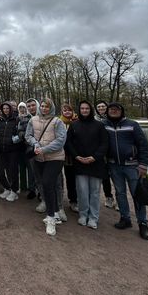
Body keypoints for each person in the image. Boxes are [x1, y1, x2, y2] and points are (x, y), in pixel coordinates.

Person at [103, 102, 148, 240]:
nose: (113, 111)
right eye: (111, 109)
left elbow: (143, 145)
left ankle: (142, 223)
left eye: (116, 109)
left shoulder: (132, 124)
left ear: (121, 111)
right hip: (114, 165)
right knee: (120, 193)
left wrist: (143, 164)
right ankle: (125, 218)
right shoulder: (105, 125)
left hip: (132, 165)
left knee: (137, 194)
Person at [25, 98, 67, 236]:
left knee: (49, 183)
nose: (43, 108)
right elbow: (28, 135)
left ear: (51, 108)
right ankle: (54, 212)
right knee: (44, 184)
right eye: (42, 106)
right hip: (39, 157)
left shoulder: (57, 121)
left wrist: (44, 149)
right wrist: (36, 144)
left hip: (55, 157)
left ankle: (50, 218)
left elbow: (61, 140)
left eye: (46, 106)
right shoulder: (33, 120)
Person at [66, 101, 109, 229]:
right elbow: (69, 143)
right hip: (79, 163)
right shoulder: (74, 125)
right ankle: (83, 214)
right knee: (82, 191)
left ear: (91, 110)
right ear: (79, 110)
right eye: (82, 108)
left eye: (87, 108)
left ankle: (93, 217)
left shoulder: (99, 125)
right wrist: (76, 156)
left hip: (95, 163)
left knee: (95, 192)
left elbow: (104, 143)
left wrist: (94, 157)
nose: (84, 110)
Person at [57, 103, 79, 221]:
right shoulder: (59, 122)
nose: (67, 112)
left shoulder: (77, 122)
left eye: (69, 110)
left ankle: (76, 200)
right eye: (64, 110)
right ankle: (67, 200)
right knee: (63, 177)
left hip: (74, 154)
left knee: (75, 178)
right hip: (62, 154)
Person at [0, 102, 20, 202]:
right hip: (1, 149)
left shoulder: (16, 119)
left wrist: (12, 140)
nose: (5, 110)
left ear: (10, 109)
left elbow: (20, 134)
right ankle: (7, 187)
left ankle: (14, 191)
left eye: (7, 108)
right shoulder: (1, 120)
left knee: (12, 172)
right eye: (3, 108)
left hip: (12, 150)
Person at [95, 99, 116, 209]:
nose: (101, 109)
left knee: (116, 176)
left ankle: (119, 199)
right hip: (101, 152)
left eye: (103, 106)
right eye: (99, 107)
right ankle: (109, 197)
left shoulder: (113, 119)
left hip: (113, 150)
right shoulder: (95, 120)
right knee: (105, 177)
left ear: (106, 107)